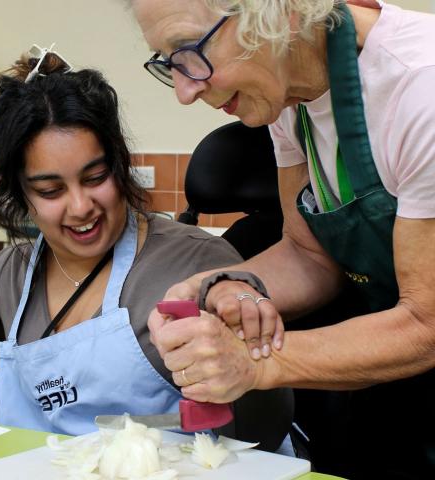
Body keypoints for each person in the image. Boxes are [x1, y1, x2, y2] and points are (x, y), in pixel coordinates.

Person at [0, 45, 293, 451]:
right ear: (20, 194)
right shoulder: (12, 274)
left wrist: (243, 343)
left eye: (96, 177)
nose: (81, 206)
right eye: (50, 190)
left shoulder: (196, 263)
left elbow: (265, 421)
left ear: (119, 165)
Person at [129, 0, 435, 477]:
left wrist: (253, 365)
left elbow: (426, 323)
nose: (185, 92)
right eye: (170, 64)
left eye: (189, 51)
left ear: (281, 13)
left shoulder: (420, 89)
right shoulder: (287, 98)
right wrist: (218, 285)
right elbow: (309, 254)